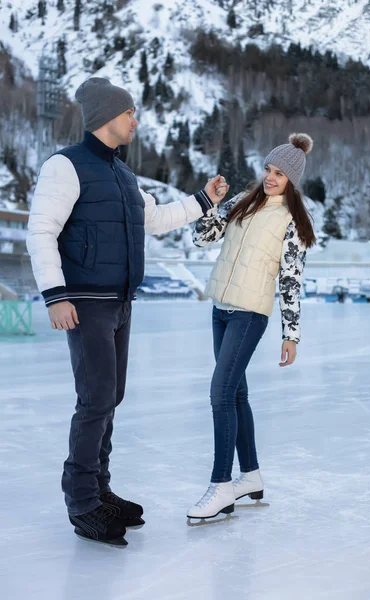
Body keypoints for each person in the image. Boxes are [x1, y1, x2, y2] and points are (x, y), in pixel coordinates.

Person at [27, 77, 229, 545]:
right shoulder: (65, 166)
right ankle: (82, 504)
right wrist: (56, 295)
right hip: (85, 303)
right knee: (94, 400)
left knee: (109, 399)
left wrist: (204, 201)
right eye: (130, 114)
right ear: (106, 118)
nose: (135, 121)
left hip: (119, 302)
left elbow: (153, 220)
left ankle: (100, 488)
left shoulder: (122, 174)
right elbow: (41, 231)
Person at [187, 133, 316, 520]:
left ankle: (222, 485)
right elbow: (201, 237)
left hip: (248, 314)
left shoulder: (292, 221)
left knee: (221, 393)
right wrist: (210, 202)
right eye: (268, 169)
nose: (270, 178)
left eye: (279, 173)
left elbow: (290, 280)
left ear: (292, 180)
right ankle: (252, 476)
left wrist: (290, 334)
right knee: (236, 394)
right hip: (221, 310)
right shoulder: (242, 202)